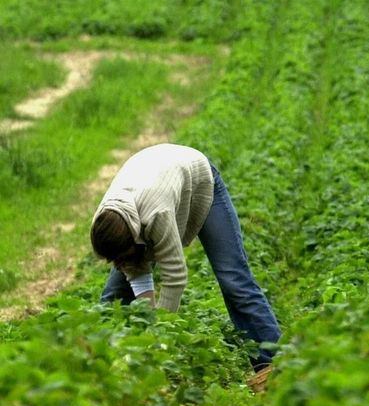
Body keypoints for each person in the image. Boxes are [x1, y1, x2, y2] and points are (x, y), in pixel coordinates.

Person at [90, 144, 281, 390]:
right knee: (113, 297)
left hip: (198, 180)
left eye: (121, 257)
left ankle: (276, 367)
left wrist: (159, 339)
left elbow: (174, 277)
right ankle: (100, 373)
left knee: (234, 280)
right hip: (152, 176)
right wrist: (147, 320)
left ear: (133, 238)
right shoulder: (105, 221)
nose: (117, 264)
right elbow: (132, 266)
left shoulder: (157, 214)